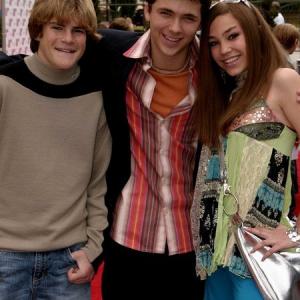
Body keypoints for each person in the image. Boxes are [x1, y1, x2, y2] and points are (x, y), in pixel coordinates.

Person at [97, 0, 211, 299]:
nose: (175, 28)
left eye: (188, 18)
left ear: (200, 22)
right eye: (165, 13)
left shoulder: (215, 69)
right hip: (128, 233)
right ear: (147, 11)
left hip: (191, 239)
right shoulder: (112, 52)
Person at [0, 0, 111, 299]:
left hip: (69, 262)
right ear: (37, 31)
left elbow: (97, 184)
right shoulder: (5, 86)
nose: (68, 38)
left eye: (78, 30)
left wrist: (93, 248)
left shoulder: (95, 97)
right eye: (57, 27)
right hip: (5, 258)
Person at [190, 0, 300, 299]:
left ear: (254, 33)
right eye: (214, 42)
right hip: (218, 256)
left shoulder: (283, 80)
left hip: (261, 258)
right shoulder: (228, 93)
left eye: (233, 36)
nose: (224, 49)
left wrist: (294, 234)